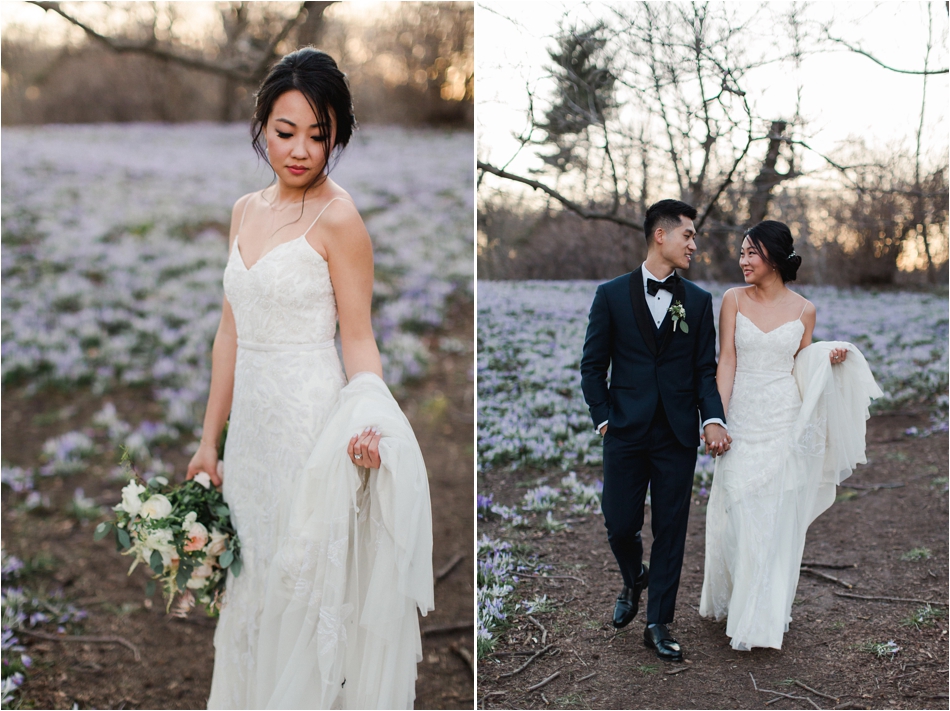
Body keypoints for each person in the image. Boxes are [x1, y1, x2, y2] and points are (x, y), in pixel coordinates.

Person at [186, 48, 433, 709]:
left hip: (310, 420)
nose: (299, 150)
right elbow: (228, 334)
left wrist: (369, 419)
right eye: (285, 131)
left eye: (318, 135)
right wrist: (209, 442)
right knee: (256, 574)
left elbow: (358, 336)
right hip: (253, 437)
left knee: (303, 581)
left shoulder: (340, 218)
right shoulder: (244, 210)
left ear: (337, 137)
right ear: (261, 125)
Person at [699, 220, 881, 651]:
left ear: (775, 259)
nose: (743, 260)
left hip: (784, 420)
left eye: (751, 253)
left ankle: (760, 617)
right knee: (739, 514)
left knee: (775, 520)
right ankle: (739, 599)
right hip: (743, 417)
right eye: (741, 252)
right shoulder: (732, 300)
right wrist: (717, 419)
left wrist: (825, 357)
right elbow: (726, 361)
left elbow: (800, 365)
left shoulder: (804, 310)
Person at [580, 199, 731, 663]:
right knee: (619, 523)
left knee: (671, 529)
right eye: (688, 235)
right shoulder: (610, 295)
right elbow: (592, 366)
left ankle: (658, 622)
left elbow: (705, 370)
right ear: (660, 235)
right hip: (624, 430)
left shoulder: (700, 302)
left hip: (677, 435)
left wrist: (712, 418)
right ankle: (632, 578)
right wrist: (604, 416)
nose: (694, 244)